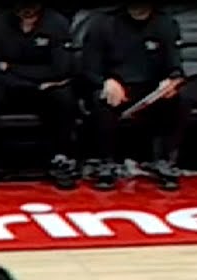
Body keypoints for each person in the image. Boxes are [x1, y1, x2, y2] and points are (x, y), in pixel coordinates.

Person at [0, 3, 79, 192]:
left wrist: (11, 67)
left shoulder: (57, 23)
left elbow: (61, 69)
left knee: (64, 95)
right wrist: (34, 83)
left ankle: (62, 159)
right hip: (8, 89)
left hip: (42, 92)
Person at [80, 3, 188, 191]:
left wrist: (171, 80)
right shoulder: (101, 23)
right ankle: (106, 163)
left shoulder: (166, 23)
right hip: (115, 86)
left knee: (180, 99)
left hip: (151, 89)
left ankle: (164, 161)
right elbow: (88, 67)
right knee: (101, 100)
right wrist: (105, 82)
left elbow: (175, 65)